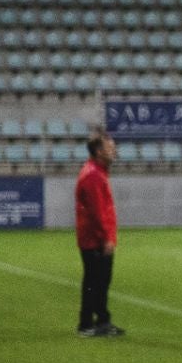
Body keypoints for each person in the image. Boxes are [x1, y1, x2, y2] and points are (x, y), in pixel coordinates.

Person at [75, 130, 124, 338]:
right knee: (97, 282)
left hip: (93, 236)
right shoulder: (94, 175)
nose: (114, 151)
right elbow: (97, 212)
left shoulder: (97, 171)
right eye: (110, 147)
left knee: (97, 282)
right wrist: (106, 238)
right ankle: (92, 323)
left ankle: (96, 322)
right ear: (98, 151)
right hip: (94, 238)